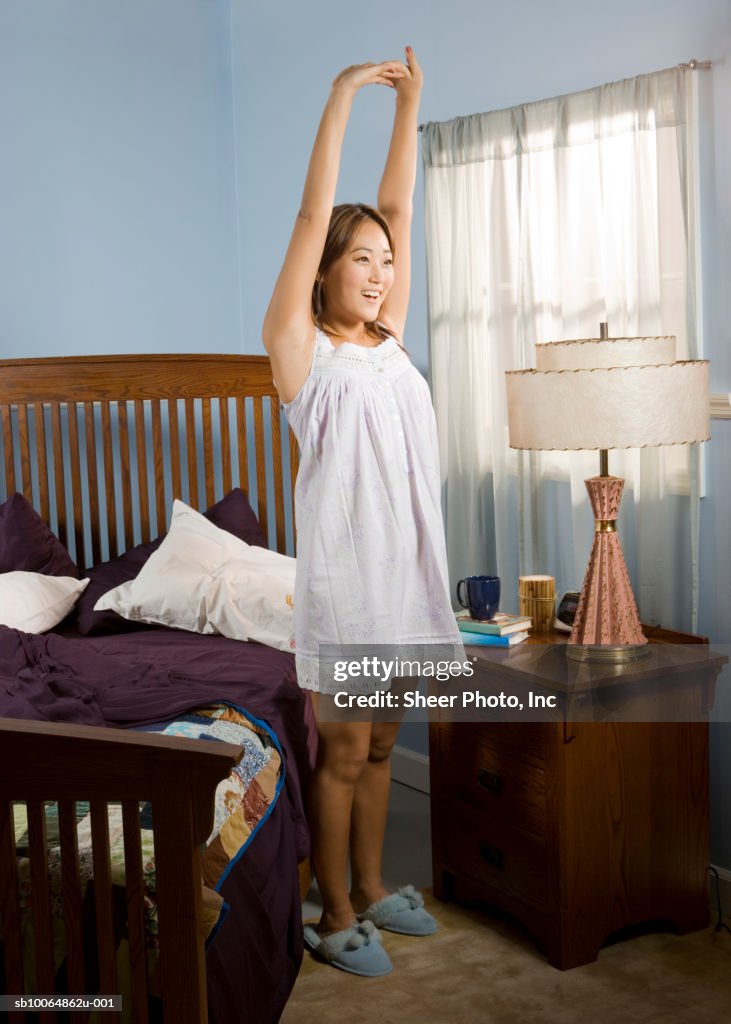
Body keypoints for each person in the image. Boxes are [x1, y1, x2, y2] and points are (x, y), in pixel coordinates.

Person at [263, 48, 462, 978]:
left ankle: (376, 886)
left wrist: (411, 106)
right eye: (360, 258)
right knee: (342, 749)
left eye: (386, 261)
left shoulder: (391, 340)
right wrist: (342, 94)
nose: (379, 273)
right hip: (346, 587)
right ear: (326, 269)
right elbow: (313, 213)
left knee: (383, 742)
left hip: (407, 577)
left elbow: (403, 204)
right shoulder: (298, 352)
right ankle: (331, 904)